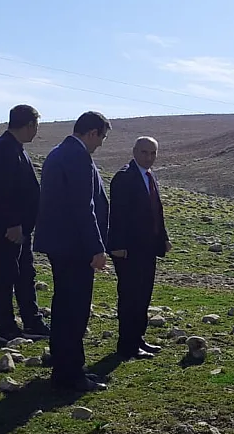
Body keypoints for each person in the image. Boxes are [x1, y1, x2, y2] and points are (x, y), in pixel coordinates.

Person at [33, 111, 111, 392]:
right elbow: (83, 206)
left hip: (60, 244)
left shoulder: (58, 152)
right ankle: (71, 374)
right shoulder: (77, 156)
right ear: (92, 133)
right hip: (75, 246)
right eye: (101, 137)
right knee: (75, 310)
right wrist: (96, 247)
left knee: (64, 304)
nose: (100, 144)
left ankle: (61, 362)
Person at [0, 104, 51, 342]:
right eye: (36, 126)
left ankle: (31, 321)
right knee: (7, 273)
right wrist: (14, 223)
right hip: (6, 227)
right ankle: (5, 326)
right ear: (29, 125)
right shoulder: (4, 148)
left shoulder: (15, 147)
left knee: (24, 272)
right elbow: (3, 190)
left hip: (19, 227)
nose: (36, 132)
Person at [108, 136, 171, 359]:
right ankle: (127, 344)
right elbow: (116, 215)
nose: (149, 157)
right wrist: (116, 245)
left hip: (147, 248)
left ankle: (138, 338)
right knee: (130, 296)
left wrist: (163, 238)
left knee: (143, 295)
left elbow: (156, 210)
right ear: (134, 151)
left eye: (153, 153)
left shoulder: (149, 176)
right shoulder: (124, 177)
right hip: (129, 250)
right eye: (145, 152)